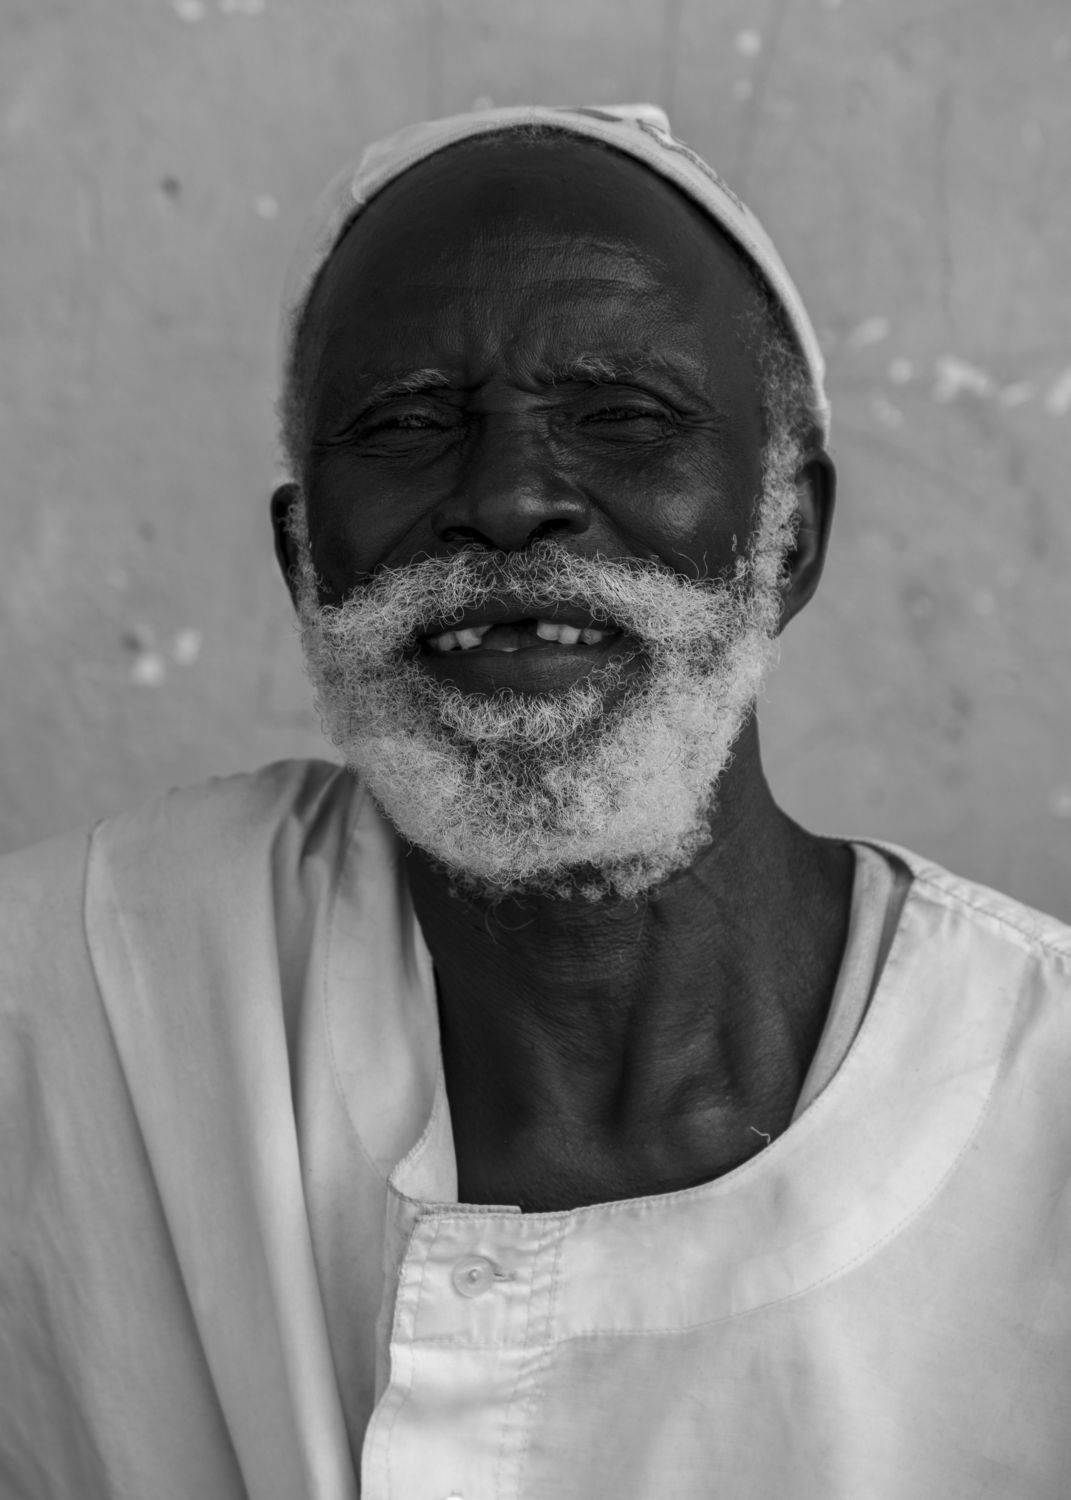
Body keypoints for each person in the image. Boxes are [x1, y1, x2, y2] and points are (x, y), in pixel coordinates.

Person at [1, 103, 1069, 1500]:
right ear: (303, 560)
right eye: (407, 425)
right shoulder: (83, 990)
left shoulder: (1042, 1117)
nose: (507, 499)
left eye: (621, 417)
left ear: (789, 533)